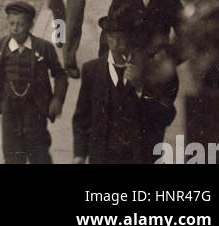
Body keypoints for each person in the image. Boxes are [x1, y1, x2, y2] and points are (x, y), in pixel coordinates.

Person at [72, 12, 177, 166]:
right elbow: (82, 118)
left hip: (139, 156)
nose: (115, 44)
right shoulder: (92, 70)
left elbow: (168, 115)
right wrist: (79, 154)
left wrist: (141, 88)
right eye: (111, 37)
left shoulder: (148, 69)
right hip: (102, 158)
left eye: (120, 38)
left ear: (130, 38)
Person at [0, 0, 67, 165]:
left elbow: (60, 75)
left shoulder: (44, 48)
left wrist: (57, 99)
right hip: (10, 110)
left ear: (30, 25)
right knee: (12, 155)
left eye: (21, 24)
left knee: (38, 153)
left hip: (35, 108)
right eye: (12, 24)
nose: (15, 29)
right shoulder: (1, 45)